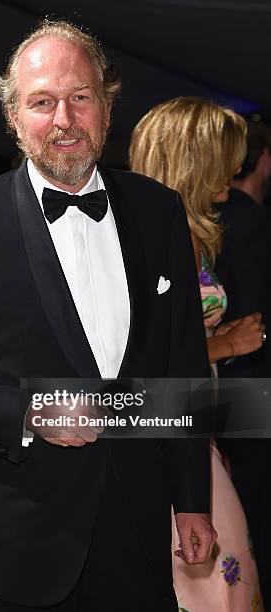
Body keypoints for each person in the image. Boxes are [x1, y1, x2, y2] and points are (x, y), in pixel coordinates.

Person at [0, 21, 216, 612]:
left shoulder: (159, 211)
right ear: (14, 118)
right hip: (23, 543)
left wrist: (192, 500)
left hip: (139, 534)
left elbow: (183, 370)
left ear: (107, 102)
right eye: (42, 102)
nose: (63, 120)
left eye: (80, 97)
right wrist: (29, 411)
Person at [130, 96, 264, 611]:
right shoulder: (173, 235)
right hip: (168, 428)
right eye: (223, 172)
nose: (229, 186)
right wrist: (229, 343)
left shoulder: (168, 229)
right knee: (220, 584)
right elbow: (146, 356)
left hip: (192, 426)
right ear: (193, 164)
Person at [214, 120, 271, 606]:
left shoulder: (213, 218)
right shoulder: (249, 219)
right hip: (246, 388)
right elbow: (255, 319)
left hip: (220, 388)